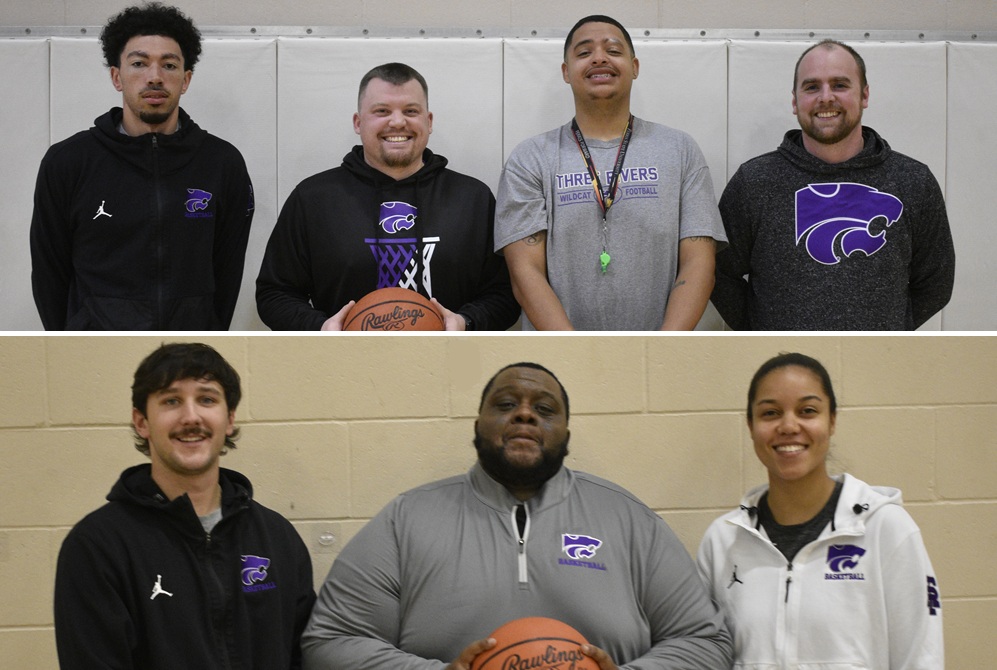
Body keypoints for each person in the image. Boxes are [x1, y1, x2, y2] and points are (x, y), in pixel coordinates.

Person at [302, 362, 733, 669]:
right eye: (506, 404)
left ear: (566, 433)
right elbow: (329, 642)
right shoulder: (405, 520)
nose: (525, 414)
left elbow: (706, 642)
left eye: (544, 410)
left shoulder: (630, 520)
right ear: (477, 424)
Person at [54, 342, 315, 669]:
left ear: (229, 418)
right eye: (171, 400)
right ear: (142, 422)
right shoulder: (97, 547)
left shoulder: (277, 538)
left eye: (206, 399)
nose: (191, 417)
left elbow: (305, 656)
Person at [697, 352, 943, 668]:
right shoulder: (722, 540)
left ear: (832, 421)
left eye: (807, 411)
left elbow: (922, 657)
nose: (788, 426)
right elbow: (704, 653)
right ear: (751, 425)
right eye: (770, 413)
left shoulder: (886, 528)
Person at [29, 2, 254, 331]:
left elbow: (227, 272)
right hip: (96, 356)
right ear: (117, 76)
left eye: (169, 65)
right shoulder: (68, 162)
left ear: (186, 79)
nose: (154, 77)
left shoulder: (222, 162)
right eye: (139, 63)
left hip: (185, 360)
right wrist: (73, 343)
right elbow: (50, 274)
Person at [494, 15, 726, 330]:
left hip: (658, 360)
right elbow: (525, 274)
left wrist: (659, 351)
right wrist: (575, 356)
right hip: (561, 364)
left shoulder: (680, 150)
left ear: (635, 66)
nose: (600, 58)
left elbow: (699, 264)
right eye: (584, 52)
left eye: (613, 50)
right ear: (566, 72)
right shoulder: (530, 158)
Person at [711, 40, 956, 330]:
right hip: (783, 367)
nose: (826, 98)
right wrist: (763, 330)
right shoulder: (754, 182)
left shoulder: (913, 181)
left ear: (864, 95)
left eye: (840, 85)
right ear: (795, 100)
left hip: (879, 365)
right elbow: (717, 272)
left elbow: (936, 280)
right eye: (812, 87)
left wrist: (890, 328)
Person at [256, 62, 519, 331]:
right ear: (359, 123)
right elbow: (274, 293)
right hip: (343, 365)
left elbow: (506, 294)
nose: (397, 122)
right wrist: (321, 328)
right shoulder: (313, 198)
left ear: (428, 122)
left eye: (411, 111)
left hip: (448, 363)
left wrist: (466, 322)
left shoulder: (472, 199)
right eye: (382, 111)